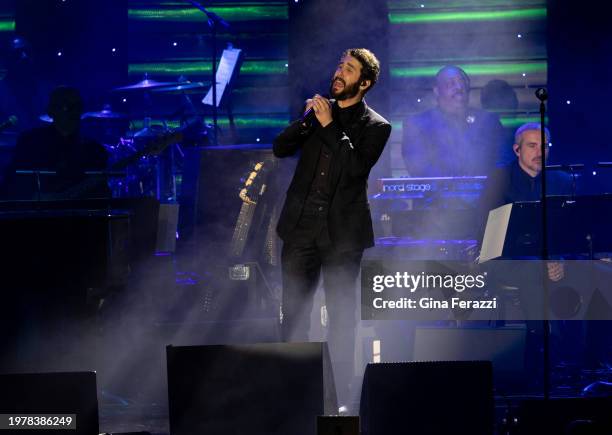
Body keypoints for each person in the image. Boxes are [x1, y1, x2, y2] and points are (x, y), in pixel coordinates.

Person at [273, 48, 391, 408]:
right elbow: (280, 147)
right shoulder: (317, 114)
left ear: (364, 83)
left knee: (341, 319)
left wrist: (328, 124)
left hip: (342, 235)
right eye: (339, 65)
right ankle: (293, 394)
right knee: (293, 312)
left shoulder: (377, 126)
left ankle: (340, 400)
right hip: (301, 229)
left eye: (349, 69)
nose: (339, 72)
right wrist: (309, 120)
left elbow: (354, 168)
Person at [1, 85, 108, 199]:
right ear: (51, 111)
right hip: (37, 214)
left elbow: (101, 195)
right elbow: (12, 184)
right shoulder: (30, 142)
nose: (73, 112)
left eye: (77, 107)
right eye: (66, 107)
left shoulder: (94, 150)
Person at [402, 65, 507, 177]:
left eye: (462, 83)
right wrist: (449, 187)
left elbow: (503, 161)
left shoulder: (488, 121)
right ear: (437, 91)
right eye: (451, 83)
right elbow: (416, 166)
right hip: (435, 193)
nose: (458, 87)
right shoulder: (417, 124)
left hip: (486, 193)